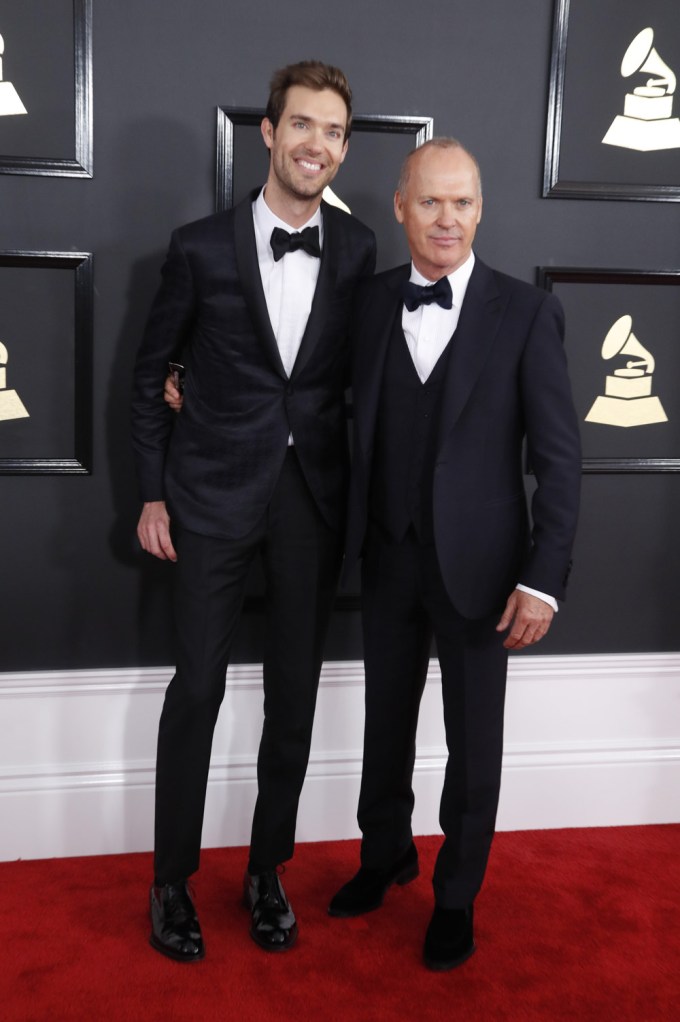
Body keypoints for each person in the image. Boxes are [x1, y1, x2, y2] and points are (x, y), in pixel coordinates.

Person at [131, 60, 376, 961]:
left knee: (296, 699)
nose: (318, 144)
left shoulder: (356, 252)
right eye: (302, 125)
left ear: (346, 150)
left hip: (311, 502)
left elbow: (355, 379)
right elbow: (144, 373)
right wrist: (153, 491)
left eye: (335, 132)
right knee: (196, 689)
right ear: (267, 134)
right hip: (207, 498)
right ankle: (170, 882)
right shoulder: (198, 246)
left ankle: (266, 869)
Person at [326, 138, 581, 971]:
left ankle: (457, 894)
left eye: (463, 203)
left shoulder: (527, 311)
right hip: (387, 551)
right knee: (384, 728)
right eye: (431, 202)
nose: (448, 219)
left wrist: (543, 579)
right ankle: (384, 854)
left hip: (485, 568)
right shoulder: (366, 303)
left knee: (474, 744)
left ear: (481, 209)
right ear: (400, 208)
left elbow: (560, 458)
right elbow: (306, 393)